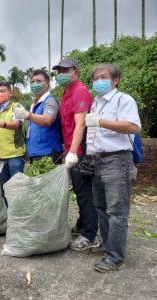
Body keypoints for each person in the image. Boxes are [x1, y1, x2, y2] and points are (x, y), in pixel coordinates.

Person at [85, 63, 141, 273]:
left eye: (104, 77)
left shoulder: (123, 100)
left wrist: (102, 121)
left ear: (116, 80)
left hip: (117, 160)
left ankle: (115, 257)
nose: (99, 81)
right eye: (95, 78)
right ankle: (107, 245)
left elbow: (132, 126)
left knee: (117, 211)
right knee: (101, 207)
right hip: (97, 160)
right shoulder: (96, 103)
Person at [52, 58, 99, 251]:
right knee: (79, 191)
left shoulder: (80, 90)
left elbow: (81, 123)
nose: (61, 74)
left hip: (80, 150)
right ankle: (82, 223)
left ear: (75, 73)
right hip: (71, 148)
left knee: (84, 192)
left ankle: (89, 235)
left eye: (65, 70)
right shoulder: (65, 93)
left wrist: (73, 151)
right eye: (59, 71)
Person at [14, 69, 63, 163]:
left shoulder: (50, 101)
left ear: (48, 84)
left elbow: (47, 120)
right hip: (35, 153)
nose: (35, 84)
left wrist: (28, 115)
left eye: (39, 81)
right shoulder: (34, 103)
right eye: (32, 82)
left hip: (48, 153)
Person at [0, 82, 26, 205]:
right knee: (4, 190)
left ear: (10, 93)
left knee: (16, 190)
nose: (0, 94)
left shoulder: (16, 106)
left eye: (3, 91)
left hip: (14, 156)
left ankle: (18, 219)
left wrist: (2, 124)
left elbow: (17, 124)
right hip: (1, 158)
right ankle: (10, 218)